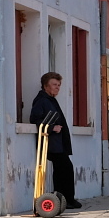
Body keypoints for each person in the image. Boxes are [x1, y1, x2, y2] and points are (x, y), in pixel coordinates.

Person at [30, 72, 77, 207]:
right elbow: (35, 120)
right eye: (54, 85)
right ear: (46, 86)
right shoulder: (42, 101)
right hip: (50, 143)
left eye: (58, 85)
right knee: (65, 168)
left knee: (62, 169)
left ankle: (63, 200)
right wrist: (52, 128)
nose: (57, 88)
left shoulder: (51, 100)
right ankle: (65, 200)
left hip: (57, 143)